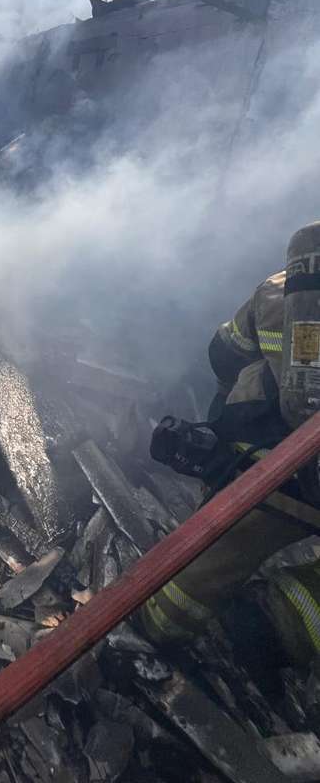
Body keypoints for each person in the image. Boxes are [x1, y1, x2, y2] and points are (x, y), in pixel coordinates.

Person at [140, 269, 320, 662]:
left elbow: (227, 350)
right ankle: (280, 628)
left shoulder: (289, 289)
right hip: (283, 463)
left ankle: (155, 638)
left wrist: (223, 412)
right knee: (300, 609)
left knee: (184, 589)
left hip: (269, 463)